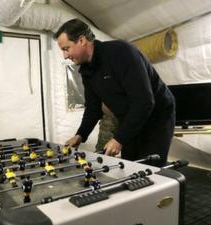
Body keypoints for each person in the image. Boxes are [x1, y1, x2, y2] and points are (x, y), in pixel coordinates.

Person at [55, 19, 175, 167]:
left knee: (151, 167)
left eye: (66, 49)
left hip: (156, 117)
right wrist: (80, 135)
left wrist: (119, 139)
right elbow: (93, 108)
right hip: (129, 118)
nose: (65, 56)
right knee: (130, 165)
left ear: (81, 40)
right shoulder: (87, 70)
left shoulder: (121, 52)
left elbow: (144, 102)